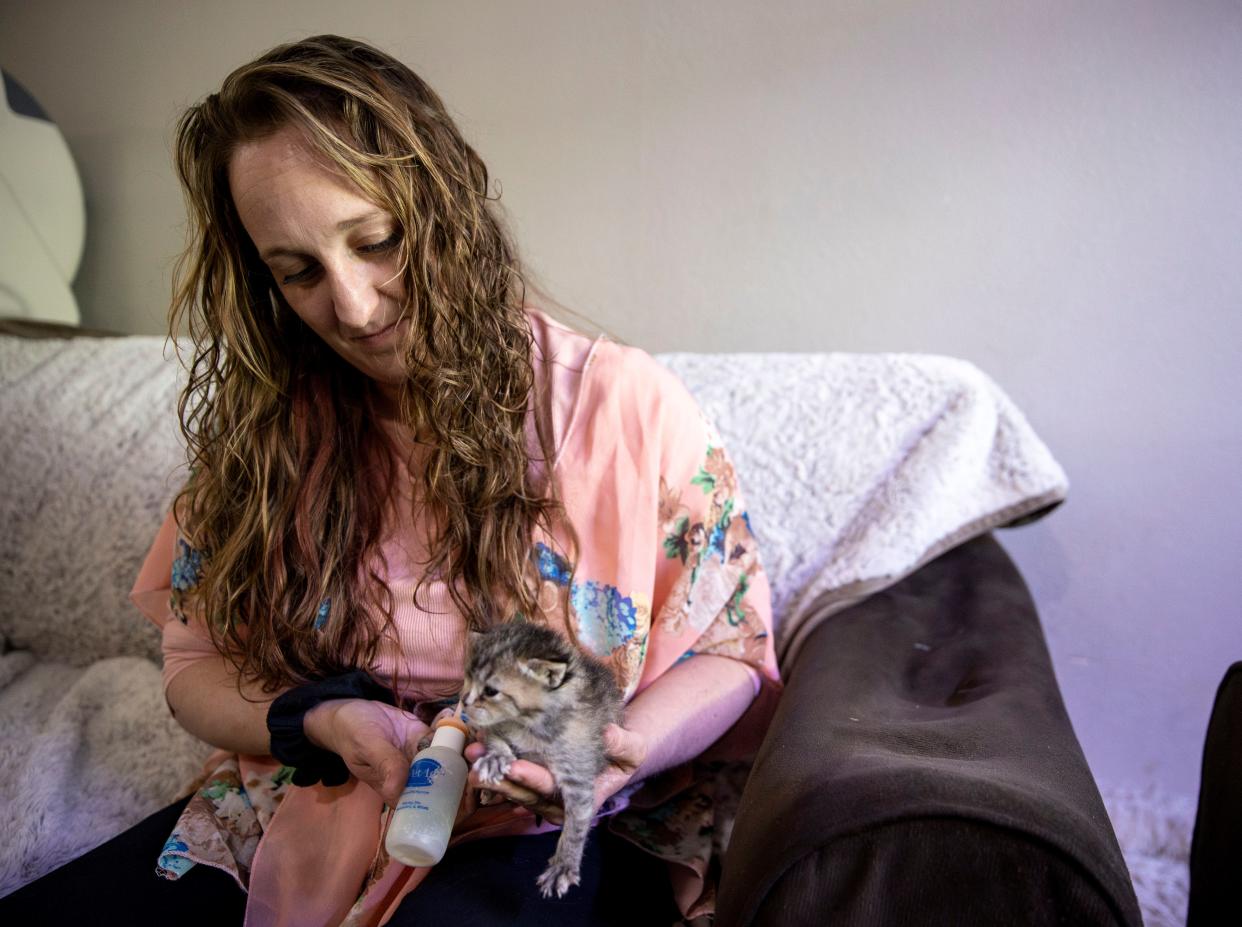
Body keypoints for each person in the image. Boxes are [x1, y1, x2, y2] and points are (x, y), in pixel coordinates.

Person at [1, 34, 780, 926]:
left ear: (444, 206)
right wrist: (317, 723)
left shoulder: (619, 407)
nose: (354, 307)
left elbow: (731, 649)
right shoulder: (270, 430)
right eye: (298, 272)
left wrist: (621, 748)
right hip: (311, 803)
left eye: (376, 241)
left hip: (547, 828)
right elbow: (194, 664)